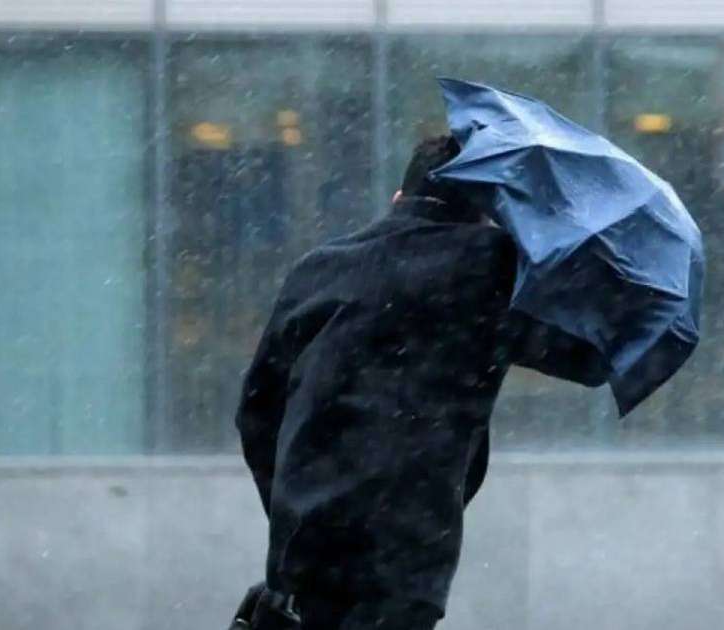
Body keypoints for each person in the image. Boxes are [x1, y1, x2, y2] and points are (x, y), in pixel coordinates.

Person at [229, 135, 604, 630]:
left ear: (398, 198)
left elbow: (257, 411)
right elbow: (593, 357)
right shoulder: (491, 266)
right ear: (486, 212)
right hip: (402, 556)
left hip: (303, 559)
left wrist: (296, 509)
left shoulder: (320, 267)